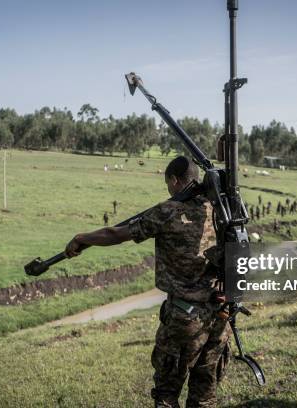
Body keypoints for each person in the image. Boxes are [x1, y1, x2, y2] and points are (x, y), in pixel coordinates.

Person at [65, 156, 230, 407]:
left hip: (184, 319)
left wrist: (81, 238)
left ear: (175, 181)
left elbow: (115, 234)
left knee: (166, 394)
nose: (168, 190)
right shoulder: (221, 209)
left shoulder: (168, 211)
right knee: (205, 396)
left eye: (168, 184)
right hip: (220, 315)